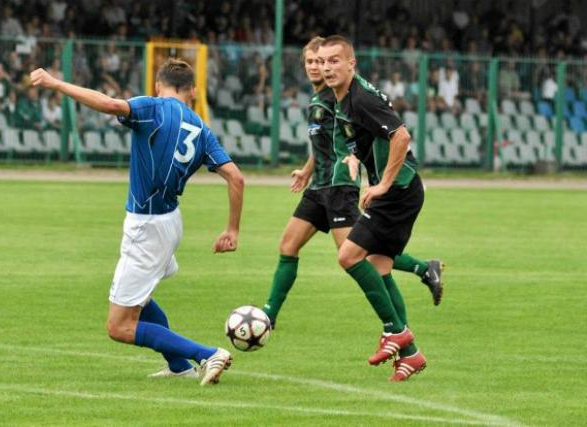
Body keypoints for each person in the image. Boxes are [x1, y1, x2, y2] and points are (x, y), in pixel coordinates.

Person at [30, 58, 245, 386]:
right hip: (170, 221)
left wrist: (56, 84)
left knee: (119, 326)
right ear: (194, 90)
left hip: (147, 226)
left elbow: (108, 103)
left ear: (159, 86)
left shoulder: (154, 107)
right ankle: (179, 365)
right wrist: (232, 229)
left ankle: (206, 353)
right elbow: (236, 178)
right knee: (138, 298)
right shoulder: (202, 128)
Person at [263, 37, 443, 330]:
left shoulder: (344, 97)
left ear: (347, 63)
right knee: (290, 245)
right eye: (312, 61)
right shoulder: (325, 98)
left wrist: (372, 174)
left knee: (360, 255)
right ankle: (268, 316)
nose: (317, 67)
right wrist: (309, 170)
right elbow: (332, 142)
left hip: (339, 187)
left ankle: (405, 315)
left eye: (323, 61)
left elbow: (383, 136)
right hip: (318, 186)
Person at [318, 35, 429, 381]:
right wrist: (354, 157)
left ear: (352, 63)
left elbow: (401, 136)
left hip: (396, 193)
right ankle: (410, 355)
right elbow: (366, 140)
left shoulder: (361, 98)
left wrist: (380, 184)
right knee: (379, 268)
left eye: (335, 60)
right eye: (322, 61)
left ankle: (395, 332)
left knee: (349, 256)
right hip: (400, 192)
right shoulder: (342, 100)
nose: (326, 67)